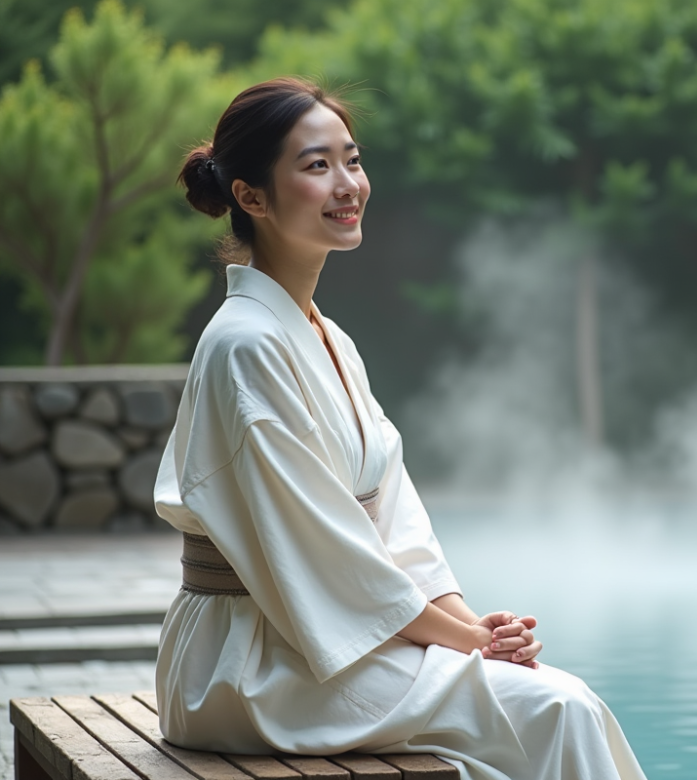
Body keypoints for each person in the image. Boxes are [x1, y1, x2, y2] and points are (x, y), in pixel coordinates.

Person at [153, 77, 646, 780]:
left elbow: (399, 525)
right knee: (559, 708)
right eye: (316, 165)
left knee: (549, 706)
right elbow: (329, 555)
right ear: (251, 197)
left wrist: (474, 629)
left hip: (317, 640)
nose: (348, 184)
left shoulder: (330, 341)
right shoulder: (247, 346)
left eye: (351, 160)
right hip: (246, 664)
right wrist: (465, 640)